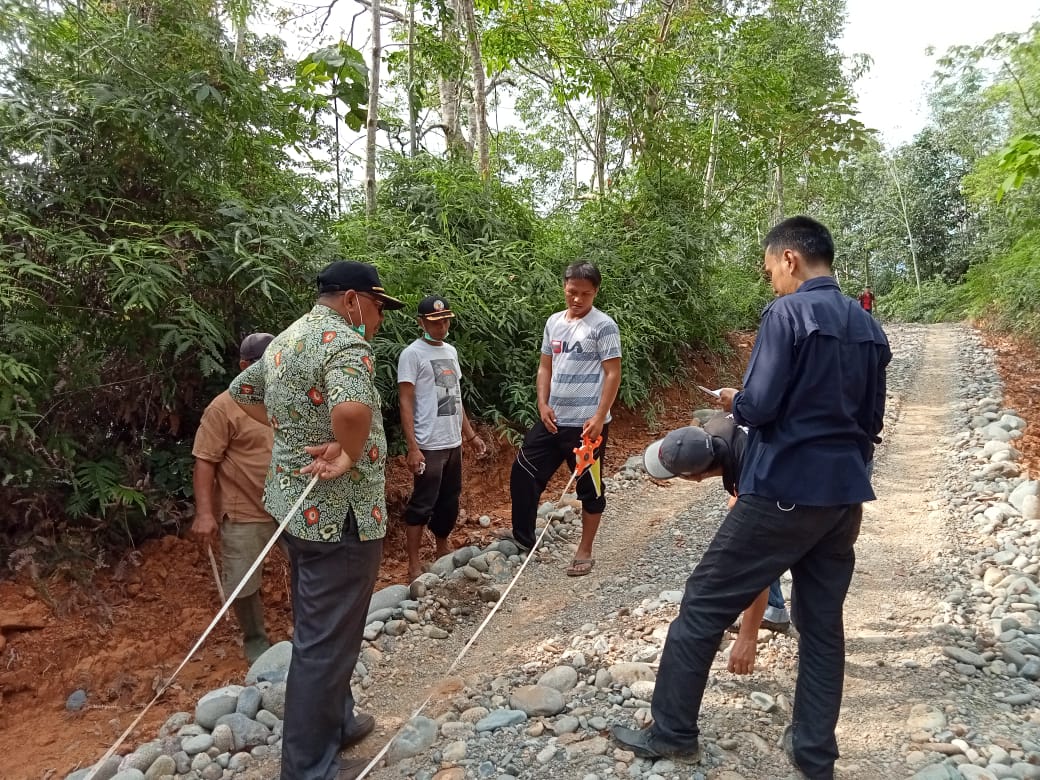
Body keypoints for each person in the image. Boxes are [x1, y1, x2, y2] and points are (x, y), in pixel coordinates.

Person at [612, 216, 890, 780]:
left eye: (769, 272)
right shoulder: (868, 327)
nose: (771, 283)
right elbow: (872, 421)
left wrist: (737, 398)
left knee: (703, 602)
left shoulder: (788, 313)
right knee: (821, 628)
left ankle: (672, 733)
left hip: (784, 488)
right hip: (842, 500)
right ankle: (815, 757)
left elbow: (760, 408)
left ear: (789, 258)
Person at [229, 260, 405, 780]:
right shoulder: (346, 343)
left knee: (323, 626)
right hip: (339, 514)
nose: (378, 319)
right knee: (325, 640)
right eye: (376, 307)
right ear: (353, 300)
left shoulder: (286, 339)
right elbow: (352, 412)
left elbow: (243, 391)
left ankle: (340, 720)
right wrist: (347, 450)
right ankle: (307, 769)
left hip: (295, 509)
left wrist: (292, 428)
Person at [642, 415, 789, 676]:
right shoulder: (716, 428)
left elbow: (756, 564)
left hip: (816, 489)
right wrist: (739, 494)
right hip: (789, 463)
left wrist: (748, 637)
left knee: (766, 550)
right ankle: (775, 609)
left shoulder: (754, 480)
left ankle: (789, 620)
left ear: (695, 477)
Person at [508, 261, 622, 576]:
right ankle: (523, 540)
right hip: (552, 419)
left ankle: (584, 550)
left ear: (595, 292)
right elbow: (545, 366)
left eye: (585, 294)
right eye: (572, 292)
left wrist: (600, 417)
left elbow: (613, 373)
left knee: (590, 488)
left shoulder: (604, 326)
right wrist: (542, 403)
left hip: (587, 427)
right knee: (523, 472)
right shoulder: (554, 323)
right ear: (564, 287)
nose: (577, 299)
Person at [192, 332, 278, 663]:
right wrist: (204, 514)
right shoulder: (223, 407)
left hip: (290, 507)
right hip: (245, 509)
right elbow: (205, 461)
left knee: (310, 562)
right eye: (263, 363)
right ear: (245, 366)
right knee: (243, 578)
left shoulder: (286, 397)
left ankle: (311, 627)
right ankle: (255, 637)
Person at [398, 294, 487, 582]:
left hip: (452, 442)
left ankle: (441, 548)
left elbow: (455, 398)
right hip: (428, 443)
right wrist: (412, 446)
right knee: (423, 501)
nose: (442, 326)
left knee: (449, 499)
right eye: (435, 322)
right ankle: (413, 562)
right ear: (421, 322)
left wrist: (470, 435)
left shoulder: (450, 352)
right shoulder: (412, 355)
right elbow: (406, 401)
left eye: (446, 320)